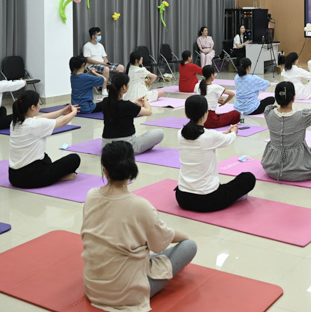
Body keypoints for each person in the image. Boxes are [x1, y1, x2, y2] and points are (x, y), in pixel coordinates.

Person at [81, 141, 197, 311]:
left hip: (94, 289)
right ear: (131, 169)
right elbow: (161, 242)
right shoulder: (141, 206)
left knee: (142, 247)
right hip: (126, 295)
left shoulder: (91, 195)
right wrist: (185, 237)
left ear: (105, 170)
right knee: (189, 246)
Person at [175, 96, 256, 212]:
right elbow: (229, 139)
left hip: (182, 197)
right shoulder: (209, 136)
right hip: (207, 199)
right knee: (248, 178)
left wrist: (225, 132)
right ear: (205, 114)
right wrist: (233, 132)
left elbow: (210, 137)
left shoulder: (180, 134)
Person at [261, 82, 311, 181]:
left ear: (276, 97)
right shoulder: (301, 116)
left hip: (271, 168)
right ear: (293, 97)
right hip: (295, 169)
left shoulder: (268, 113)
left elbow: (277, 110)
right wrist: (308, 111)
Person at [8, 91, 81, 189]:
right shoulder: (35, 125)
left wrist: (62, 111)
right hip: (30, 178)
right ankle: (57, 177)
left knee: (45, 157)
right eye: (39, 103)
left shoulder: (15, 122)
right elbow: (63, 121)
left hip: (14, 177)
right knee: (74, 158)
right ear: (33, 107)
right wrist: (74, 112)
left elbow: (40, 117)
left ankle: (54, 176)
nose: (39, 106)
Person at [102, 73, 164, 153]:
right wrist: (145, 101)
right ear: (124, 87)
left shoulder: (105, 102)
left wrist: (134, 101)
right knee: (160, 133)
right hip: (126, 147)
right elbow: (148, 112)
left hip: (106, 146)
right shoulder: (128, 106)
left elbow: (119, 104)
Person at [82, 26, 123, 97]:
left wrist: (107, 63)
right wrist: (103, 63)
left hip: (103, 64)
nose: (100, 36)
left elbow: (104, 57)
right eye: (98, 35)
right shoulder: (87, 46)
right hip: (92, 66)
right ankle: (104, 88)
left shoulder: (100, 45)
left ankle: (116, 87)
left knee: (121, 67)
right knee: (106, 69)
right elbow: (88, 60)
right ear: (93, 36)